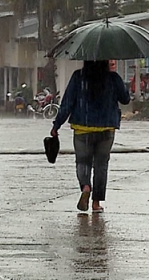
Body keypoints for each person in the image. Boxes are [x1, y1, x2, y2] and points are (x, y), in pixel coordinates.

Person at [50, 60, 130, 213]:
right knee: (101, 165)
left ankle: (86, 187)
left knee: (83, 162)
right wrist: (115, 76)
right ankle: (96, 203)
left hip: (82, 127)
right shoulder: (112, 78)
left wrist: (56, 125)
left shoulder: (78, 76)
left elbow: (67, 103)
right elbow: (125, 98)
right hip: (106, 128)